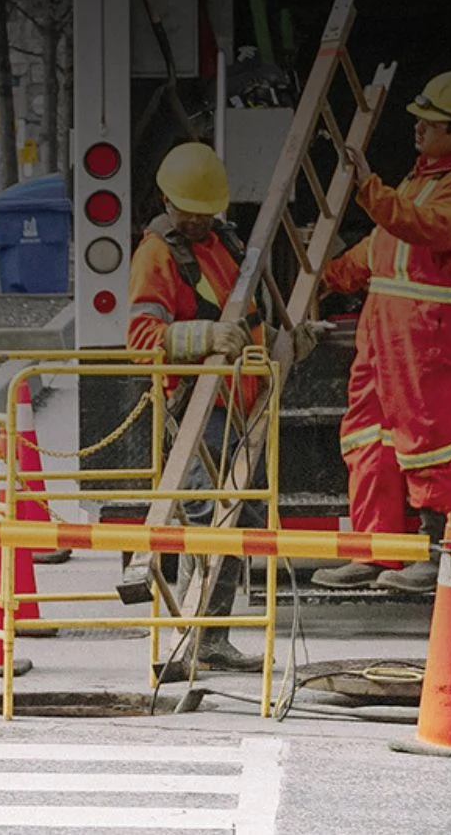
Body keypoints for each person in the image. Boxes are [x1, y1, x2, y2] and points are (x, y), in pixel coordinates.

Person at [121, 140, 323, 681]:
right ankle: (192, 637)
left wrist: (286, 340)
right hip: (200, 408)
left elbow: (246, 318)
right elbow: (142, 339)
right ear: (167, 200)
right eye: (189, 210)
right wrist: (207, 335)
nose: (197, 219)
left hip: (242, 403)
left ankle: (211, 640)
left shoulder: (224, 243)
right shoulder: (158, 254)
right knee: (208, 520)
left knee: (236, 522)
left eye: (205, 210)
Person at [309, 71, 451, 593]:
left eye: (428, 120)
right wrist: (323, 278)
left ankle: (441, 552)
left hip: (424, 333)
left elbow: (420, 227)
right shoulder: (423, 181)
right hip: (387, 333)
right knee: (367, 437)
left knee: (425, 440)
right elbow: (378, 252)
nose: (416, 126)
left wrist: (369, 186)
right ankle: (376, 551)